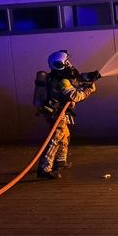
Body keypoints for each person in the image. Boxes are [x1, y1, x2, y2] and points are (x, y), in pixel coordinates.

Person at [36, 50, 98, 180]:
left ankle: (60, 161)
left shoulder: (58, 76)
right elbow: (73, 96)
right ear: (60, 64)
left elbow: (77, 79)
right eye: (66, 61)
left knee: (65, 137)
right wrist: (88, 90)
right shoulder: (62, 80)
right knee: (55, 140)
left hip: (57, 112)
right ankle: (44, 169)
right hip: (57, 113)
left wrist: (91, 76)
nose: (69, 63)